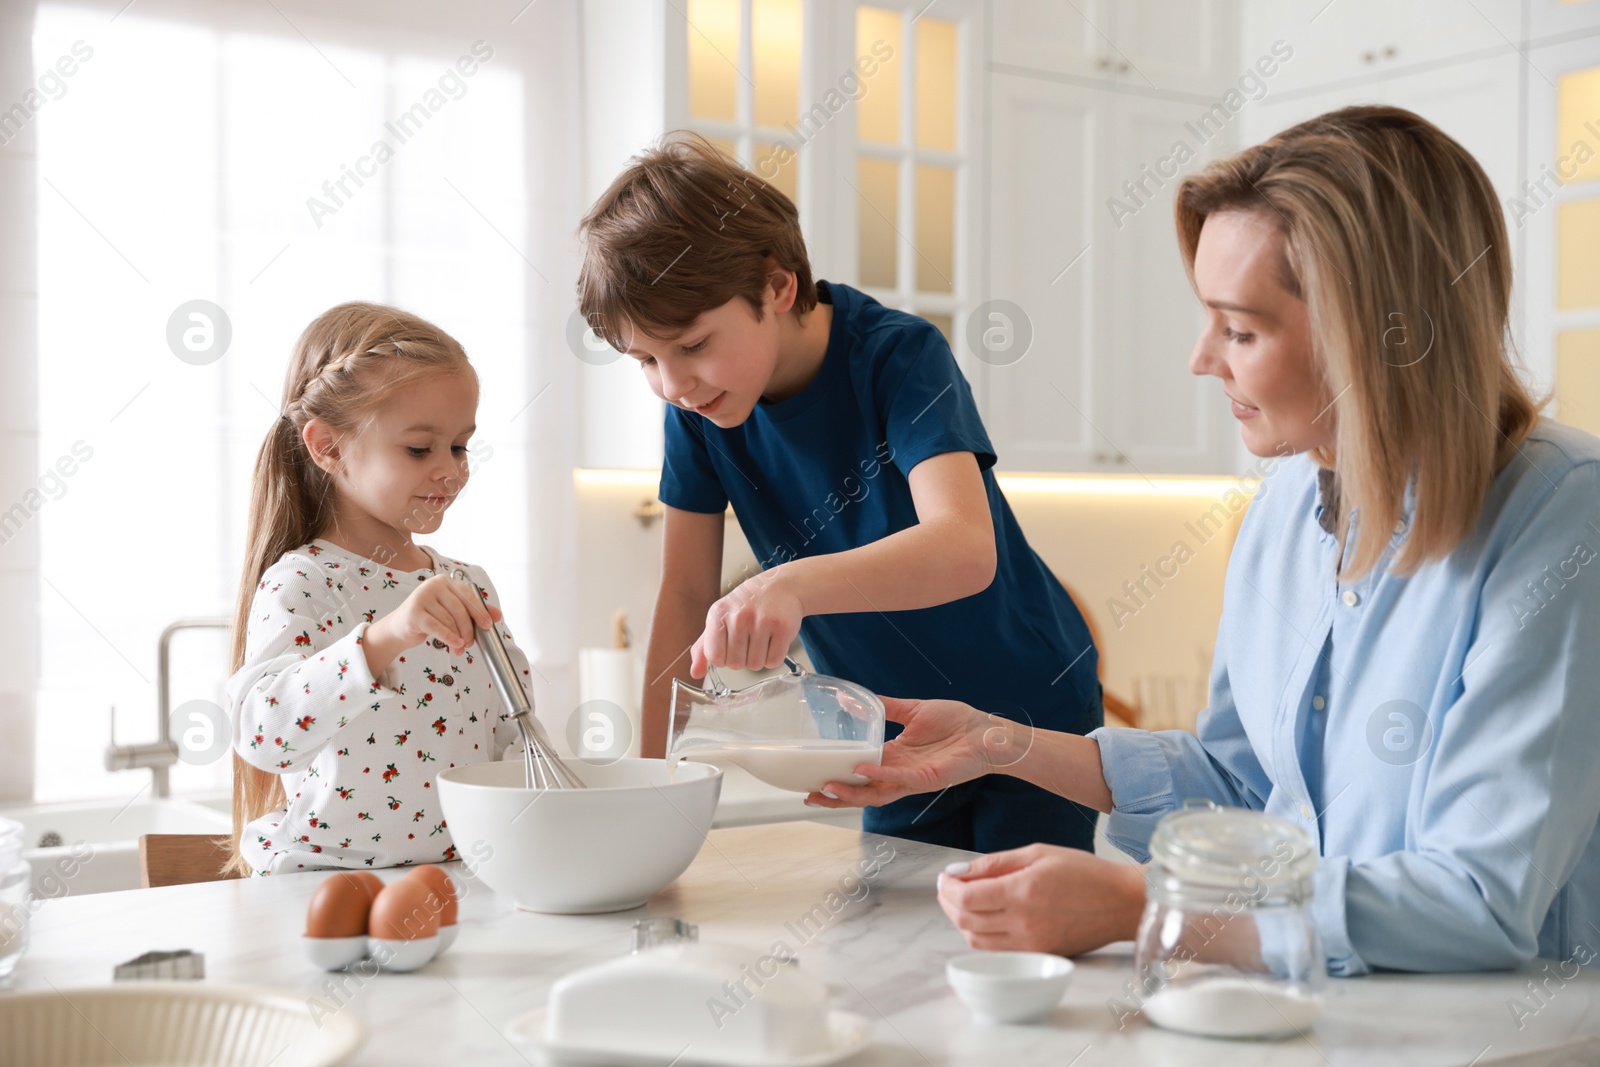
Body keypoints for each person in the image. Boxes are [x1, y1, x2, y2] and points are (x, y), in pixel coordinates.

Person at [808, 106, 1600, 975]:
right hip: (1329, 1020)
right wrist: (999, 742)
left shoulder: (1563, 515)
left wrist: (1144, 906)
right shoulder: (1286, 505)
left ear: (1378, 336)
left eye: (1242, 328)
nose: (1201, 357)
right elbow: (1246, 787)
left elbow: (1473, 902)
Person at [576, 134, 1102, 853]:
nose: (673, 384)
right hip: (886, 733)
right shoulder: (697, 414)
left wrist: (788, 584)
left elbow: (966, 550)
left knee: (1012, 938)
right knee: (895, 949)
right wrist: (650, 782)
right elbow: (683, 593)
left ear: (778, 286)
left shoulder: (899, 358)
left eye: (693, 345)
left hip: (1026, 712)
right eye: (646, 360)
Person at [224, 302, 531, 875]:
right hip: (324, 884)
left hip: (457, 878)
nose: (451, 470)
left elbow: (513, 738)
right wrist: (384, 638)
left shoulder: (466, 583)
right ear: (329, 447)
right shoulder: (303, 582)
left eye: (460, 446)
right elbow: (265, 735)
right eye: (420, 448)